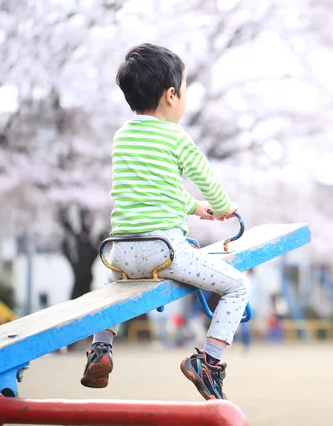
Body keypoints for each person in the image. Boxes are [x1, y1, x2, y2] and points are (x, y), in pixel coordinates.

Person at [79, 43, 251, 401]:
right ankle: (210, 362)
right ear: (171, 94)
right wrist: (222, 206)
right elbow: (207, 179)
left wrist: (194, 207)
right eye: (184, 90)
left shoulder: (123, 137)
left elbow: (147, 190)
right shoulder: (175, 136)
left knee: (114, 294)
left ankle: (101, 349)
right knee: (237, 287)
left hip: (119, 253)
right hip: (165, 252)